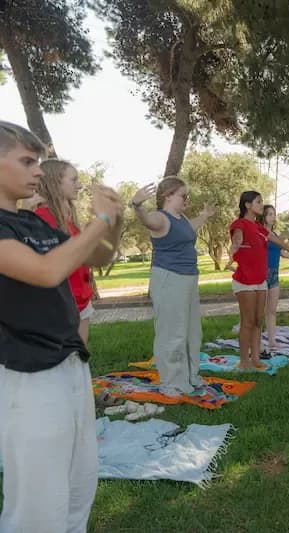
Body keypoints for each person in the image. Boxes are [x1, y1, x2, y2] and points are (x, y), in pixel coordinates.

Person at [0, 121, 123, 532]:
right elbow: (47, 271)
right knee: (38, 506)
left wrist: (113, 221)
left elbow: (98, 258)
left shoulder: (34, 224)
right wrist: (98, 219)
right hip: (27, 377)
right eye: (27, 161)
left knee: (77, 488)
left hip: (70, 365)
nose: (38, 171)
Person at [130, 178, 215, 395]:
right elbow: (147, 220)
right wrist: (137, 205)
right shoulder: (161, 218)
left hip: (188, 279)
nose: (186, 200)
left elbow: (189, 229)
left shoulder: (182, 218)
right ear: (168, 195)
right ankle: (171, 383)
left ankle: (190, 376)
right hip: (169, 279)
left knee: (191, 331)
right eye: (183, 196)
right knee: (172, 333)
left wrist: (204, 216)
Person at [230, 192, 289, 369]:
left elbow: (277, 241)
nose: (262, 205)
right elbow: (238, 236)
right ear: (247, 205)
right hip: (244, 280)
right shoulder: (240, 224)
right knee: (247, 321)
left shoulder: (259, 228)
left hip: (261, 280)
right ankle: (244, 361)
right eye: (258, 202)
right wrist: (236, 244)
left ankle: (255, 358)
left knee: (258, 320)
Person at [34, 160, 96, 343]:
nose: (80, 185)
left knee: (79, 362)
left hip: (81, 300)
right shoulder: (41, 219)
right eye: (74, 180)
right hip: (60, 306)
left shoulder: (70, 220)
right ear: (55, 182)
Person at [262, 204, 289, 357]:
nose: (273, 216)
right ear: (263, 216)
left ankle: (272, 341)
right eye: (270, 214)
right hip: (261, 274)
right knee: (259, 312)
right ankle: (256, 341)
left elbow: (282, 253)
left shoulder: (275, 234)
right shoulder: (260, 233)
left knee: (271, 311)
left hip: (274, 275)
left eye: (274, 214)